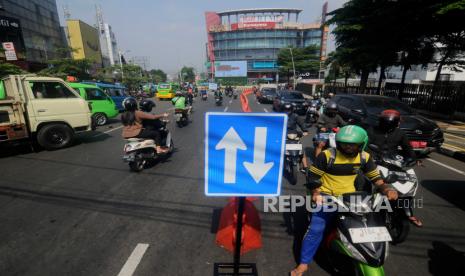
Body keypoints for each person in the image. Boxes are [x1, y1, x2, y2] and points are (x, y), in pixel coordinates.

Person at [290, 125, 398, 276]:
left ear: (362, 144)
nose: (347, 147)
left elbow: (376, 178)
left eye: (352, 144)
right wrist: (316, 192)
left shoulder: (364, 157)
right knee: (316, 229)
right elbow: (313, 176)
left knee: (368, 224)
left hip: (351, 196)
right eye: (344, 143)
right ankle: (303, 263)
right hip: (327, 196)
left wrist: (387, 189)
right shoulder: (327, 155)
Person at [367, 109, 423, 227]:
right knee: (366, 180)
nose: (399, 124)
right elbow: (365, 145)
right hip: (374, 160)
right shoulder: (372, 130)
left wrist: (413, 159)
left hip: (393, 161)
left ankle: (408, 211)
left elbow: (408, 148)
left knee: (407, 183)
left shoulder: (400, 133)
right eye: (398, 121)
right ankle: (363, 205)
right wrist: (368, 156)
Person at [283, 104, 309, 169]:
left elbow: (302, 123)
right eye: (286, 110)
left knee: (301, 149)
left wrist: (305, 130)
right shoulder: (280, 116)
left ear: (292, 110)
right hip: (283, 135)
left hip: (294, 134)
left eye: (289, 110)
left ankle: (305, 167)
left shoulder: (295, 116)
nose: (287, 111)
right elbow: (274, 125)